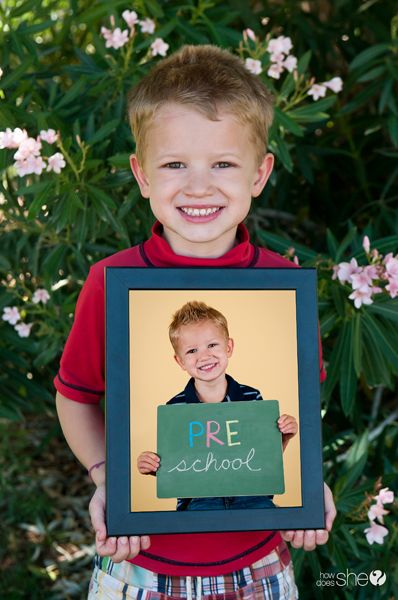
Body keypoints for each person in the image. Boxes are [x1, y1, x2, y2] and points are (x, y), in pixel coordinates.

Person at [55, 44, 336, 599]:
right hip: (141, 563)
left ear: (260, 174)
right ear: (141, 174)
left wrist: (306, 483)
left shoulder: (286, 288)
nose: (200, 185)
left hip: (256, 562)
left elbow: (297, 410)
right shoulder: (109, 282)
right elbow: (76, 394)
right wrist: (109, 476)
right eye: (175, 164)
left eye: (224, 164)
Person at [138, 300, 298, 511]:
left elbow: (261, 458)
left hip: (251, 496)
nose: (204, 356)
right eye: (192, 351)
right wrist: (153, 466)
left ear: (229, 347)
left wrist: (284, 436)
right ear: (180, 362)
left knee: (273, 529)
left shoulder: (252, 397)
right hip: (199, 503)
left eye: (212, 345)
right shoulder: (175, 409)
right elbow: (178, 465)